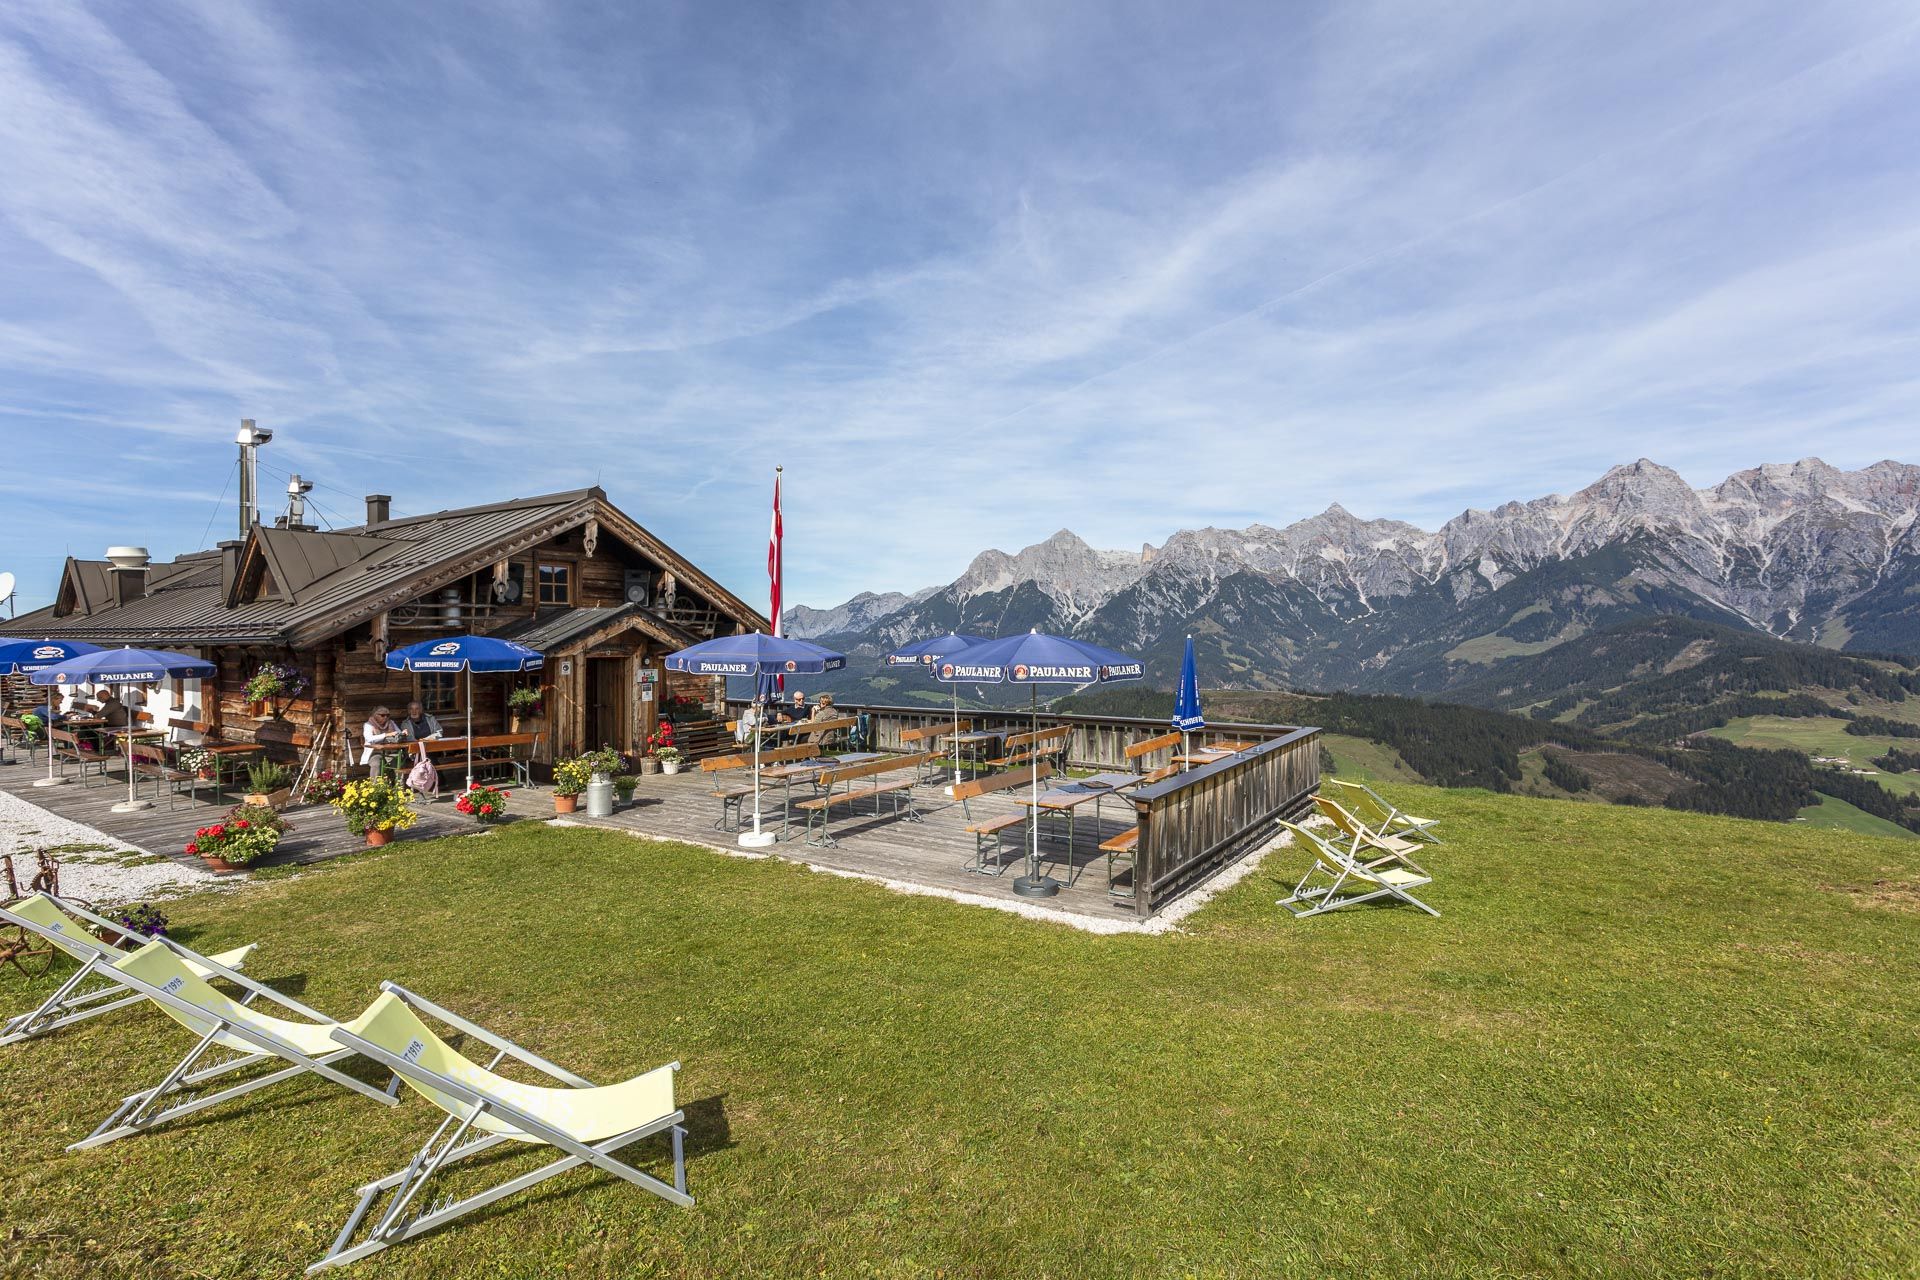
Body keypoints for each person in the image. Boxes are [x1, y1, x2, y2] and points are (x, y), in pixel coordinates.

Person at [360, 706, 405, 777]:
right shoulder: (368, 725)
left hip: (391, 751)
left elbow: (398, 733)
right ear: (374, 715)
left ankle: (398, 786)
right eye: (382, 715)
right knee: (376, 763)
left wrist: (403, 733)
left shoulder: (391, 723)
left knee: (398, 763)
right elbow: (369, 739)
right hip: (375, 752)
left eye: (388, 715)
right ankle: (375, 786)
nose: (385, 717)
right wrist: (386, 735)